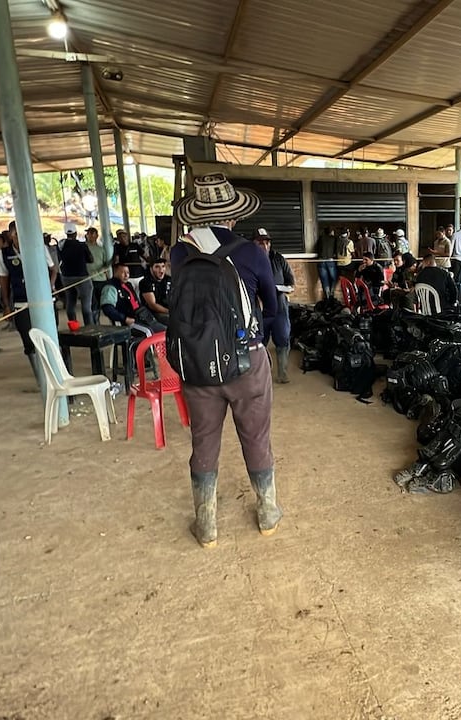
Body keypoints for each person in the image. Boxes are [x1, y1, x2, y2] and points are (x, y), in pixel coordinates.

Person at [171, 173, 280, 547]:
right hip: (246, 360)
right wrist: (260, 340)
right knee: (256, 435)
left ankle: (207, 525)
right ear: (233, 215)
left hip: (197, 364)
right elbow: (274, 305)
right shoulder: (252, 252)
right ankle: (267, 512)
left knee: (203, 441)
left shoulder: (179, 252)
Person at [0, 222, 57, 388]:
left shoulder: (39, 248)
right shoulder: (4, 254)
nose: (19, 237)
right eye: (16, 234)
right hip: (21, 302)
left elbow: (53, 269)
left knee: (50, 337)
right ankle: (41, 380)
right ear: (11, 235)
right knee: (29, 341)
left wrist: (50, 286)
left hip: (44, 302)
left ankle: (55, 374)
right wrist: (6, 304)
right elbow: (4, 280)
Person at [255, 229, 294, 384]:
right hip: (259, 308)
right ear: (254, 243)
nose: (265, 246)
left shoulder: (278, 258)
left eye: (267, 242)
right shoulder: (250, 260)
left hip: (279, 306)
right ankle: (261, 375)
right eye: (260, 243)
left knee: (283, 338)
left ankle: (282, 373)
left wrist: (278, 288)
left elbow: (291, 284)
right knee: (259, 341)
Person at [100, 263, 164, 335]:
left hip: (142, 316)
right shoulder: (110, 287)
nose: (126, 275)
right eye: (123, 272)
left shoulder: (128, 284)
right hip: (129, 321)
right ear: (115, 272)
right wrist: (124, 318)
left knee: (164, 330)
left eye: (128, 272)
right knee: (148, 332)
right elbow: (108, 309)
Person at [59, 225, 95, 327]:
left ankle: (73, 326)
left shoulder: (61, 245)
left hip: (66, 276)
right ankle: (89, 327)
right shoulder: (82, 245)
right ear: (75, 233)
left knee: (70, 302)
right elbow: (91, 259)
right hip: (81, 276)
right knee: (86, 305)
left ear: (66, 233)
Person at [138, 257, 173, 325]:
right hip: (155, 313)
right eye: (157, 267)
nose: (161, 270)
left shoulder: (169, 279)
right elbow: (153, 305)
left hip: (170, 310)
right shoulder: (145, 282)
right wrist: (169, 311)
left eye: (163, 266)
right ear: (151, 268)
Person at [316, 227, 339, 299]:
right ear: (331, 232)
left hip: (320, 261)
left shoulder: (321, 238)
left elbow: (317, 248)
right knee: (334, 278)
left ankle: (327, 296)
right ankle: (331, 294)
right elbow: (336, 250)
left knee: (324, 280)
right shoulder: (334, 238)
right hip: (330, 260)